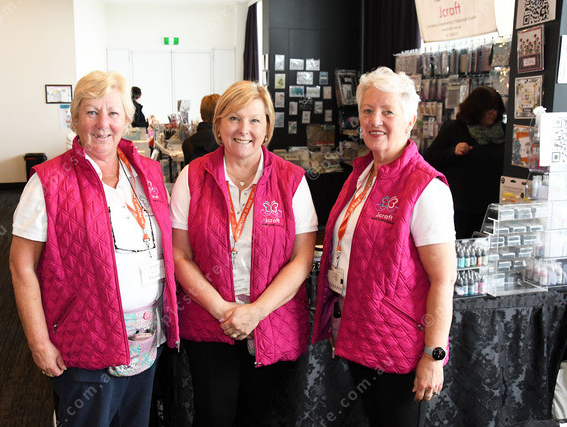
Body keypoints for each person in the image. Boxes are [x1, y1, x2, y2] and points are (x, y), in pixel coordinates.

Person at [9, 70, 179, 426]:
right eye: (91, 112)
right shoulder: (48, 181)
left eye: (113, 113)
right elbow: (21, 266)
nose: (103, 124)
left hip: (146, 339)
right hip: (86, 343)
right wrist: (39, 342)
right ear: (75, 119)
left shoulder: (147, 173)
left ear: (126, 120)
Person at [313, 67, 457, 427]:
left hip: (401, 348)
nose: (374, 120)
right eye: (367, 110)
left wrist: (434, 355)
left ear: (410, 121)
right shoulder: (362, 174)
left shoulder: (426, 188)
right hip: (359, 335)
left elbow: (443, 278)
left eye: (387, 111)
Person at [170, 80, 318, 426]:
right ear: (219, 124)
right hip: (210, 321)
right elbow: (180, 255)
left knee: (260, 417)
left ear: (267, 127)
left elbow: (301, 259)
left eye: (254, 120)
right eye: (234, 118)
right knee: (214, 416)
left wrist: (256, 312)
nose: (244, 130)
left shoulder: (292, 180)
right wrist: (222, 310)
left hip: (272, 321)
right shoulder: (192, 177)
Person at [424, 86, 506, 238]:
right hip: (461, 207)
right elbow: (429, 158)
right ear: (476, 109)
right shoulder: (456, 129)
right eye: (488, 109)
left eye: (496, 109)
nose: (493, 113)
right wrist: (452, 151)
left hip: (492, 206)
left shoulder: (504, 132)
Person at [182, 93, 220, 165]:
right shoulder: (224, 141)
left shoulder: (188, 143)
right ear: (219, 113)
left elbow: (188, 170)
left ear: (201, 113)